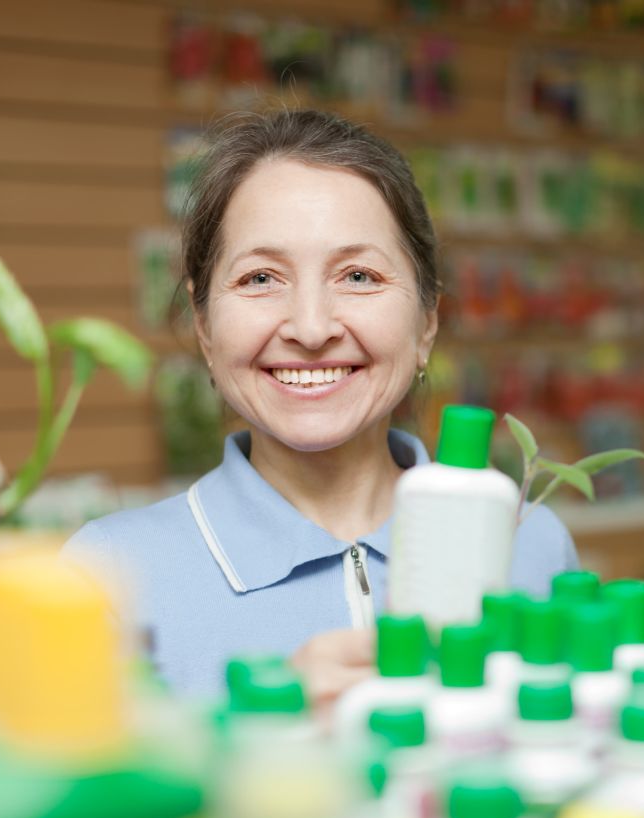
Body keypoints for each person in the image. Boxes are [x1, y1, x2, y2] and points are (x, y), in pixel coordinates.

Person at [65, 110, 578, 701]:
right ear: (204, 326)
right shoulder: (103, 578)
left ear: (427, 322)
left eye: (358, 276)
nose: (311, 329)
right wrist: (251, 726)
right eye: (260, 278)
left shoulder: (532, 544)